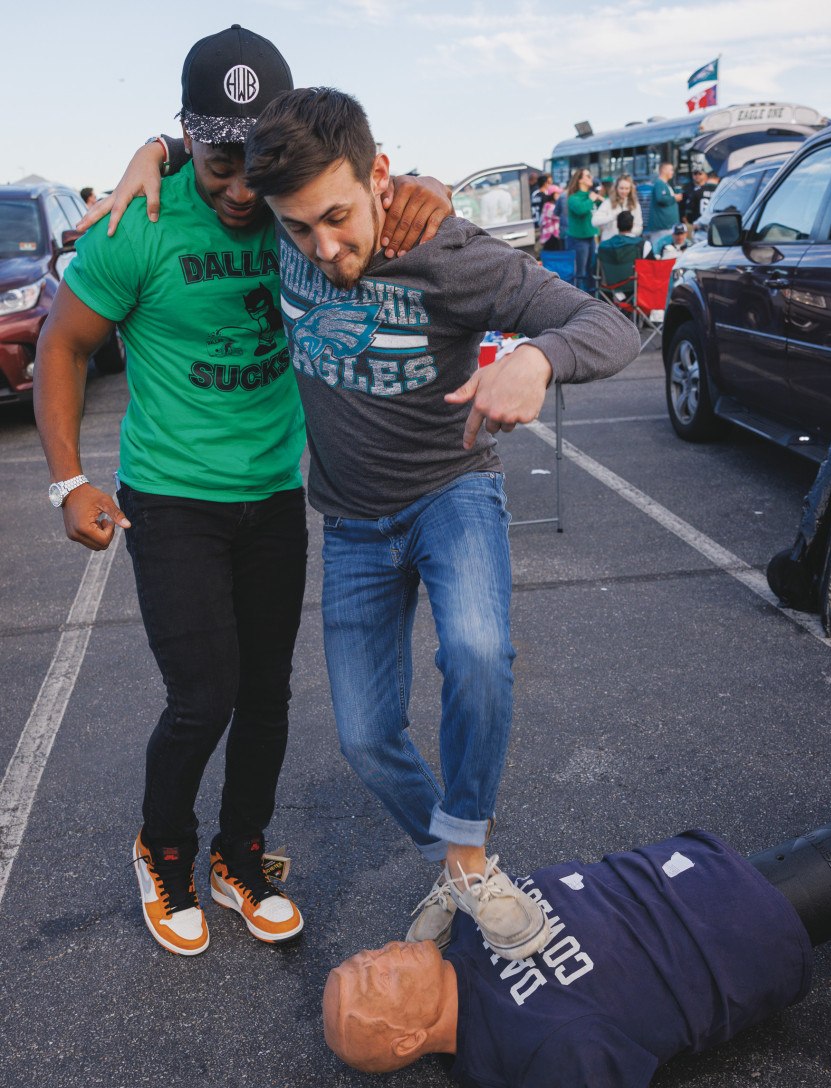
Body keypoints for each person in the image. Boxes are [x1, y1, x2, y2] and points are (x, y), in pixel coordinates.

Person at [33, 26, 451, 958]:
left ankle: (240, 854)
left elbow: (378, 201)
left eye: (249, 160)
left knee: (266, 694)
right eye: (214, 156)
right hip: (171, 499)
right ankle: (164, 847)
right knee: (203, 694)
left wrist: (422, 190)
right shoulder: (139, 222)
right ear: (188, 134)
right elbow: (61, 346)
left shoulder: (295, 207)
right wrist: (68, 479)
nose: (233, 186)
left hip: (272, 494)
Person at [241, 88, 641, 960]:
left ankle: (461, 857)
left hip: (450, 491)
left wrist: (538, 355)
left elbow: (609, 325)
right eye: (301, 229)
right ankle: (465, 864)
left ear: (380, 177)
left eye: (340, 218)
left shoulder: (450, 252)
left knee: (475, 652)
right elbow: (208, 147)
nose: (324, 247)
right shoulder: (283, 222)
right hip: (350, 521)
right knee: (364, 734)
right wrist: (145, 158)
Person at [322, 831, 812, 1088]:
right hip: (756, 928)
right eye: (378, 975)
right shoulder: (539, 1062)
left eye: (365, 955)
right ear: (408, 1039)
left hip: (695, 859)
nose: (382, 950)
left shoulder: (467, 927)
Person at [565, 167, 601, 292]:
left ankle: (593, 300)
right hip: (579, 240)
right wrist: (591, 199)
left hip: (592, 237)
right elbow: (580, 210)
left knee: (592, 271)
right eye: (588, 176)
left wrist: (600, 200)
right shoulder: (573, 198)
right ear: (580, 180)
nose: (591, 178)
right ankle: (579, 300)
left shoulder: (591, 195)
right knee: (581, 273)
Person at [593, 174, 643, 243]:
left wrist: (627, 231)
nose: (624, 191)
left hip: (627, 244)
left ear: (631, 189)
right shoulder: (608, 203)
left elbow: (639, 227)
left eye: (627, 188)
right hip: (610, 243)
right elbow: (594, 221)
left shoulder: (635, 205)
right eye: (621, 188)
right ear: (616, 188)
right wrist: (611, 217)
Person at [647, 160, 682, 243]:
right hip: (662, 229)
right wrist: (674, 198)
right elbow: (660, 199)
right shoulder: (659, 183)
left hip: (667, 228)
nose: (672, 172)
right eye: (671, 170)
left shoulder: (665, 184)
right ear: (663, 170)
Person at [537, 183, 563, 250]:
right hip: (550, 235)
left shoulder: (552, 205)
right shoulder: (548, 206)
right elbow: (555, 216)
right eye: (557, 193)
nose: (559, 195)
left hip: (554, 235)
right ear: (552, 194)